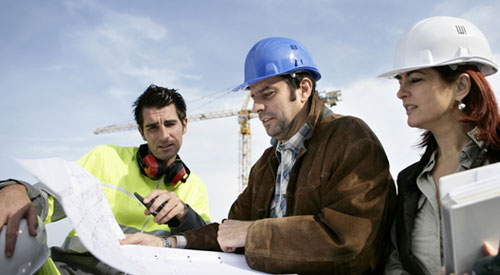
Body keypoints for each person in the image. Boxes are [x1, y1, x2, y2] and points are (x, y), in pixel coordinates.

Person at [122, 37, 397, 274]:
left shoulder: (349, 138)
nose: (256, 107)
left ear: (303, 89)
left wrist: (252, 233)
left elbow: (351, 241)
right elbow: (229, 232)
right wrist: (168, 243)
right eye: (254, 96)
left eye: (267, 93)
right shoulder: (266, 164)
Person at [0, 84, 211, 274]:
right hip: (77, 270)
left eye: (170, 124)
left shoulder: (196, 187)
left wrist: (185, 216)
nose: (164, 135)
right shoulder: (105, 157)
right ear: (141, 132)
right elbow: (51, 197)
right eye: (152, 127)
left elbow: (207, 244)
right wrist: (16, 189)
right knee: (14, 223)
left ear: (184, 124)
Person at [380, 16, 500, 275]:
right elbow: (395, 261)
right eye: (399, 81)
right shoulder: (409, 181)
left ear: (461, 86)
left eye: (415, 79)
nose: (400, 92)